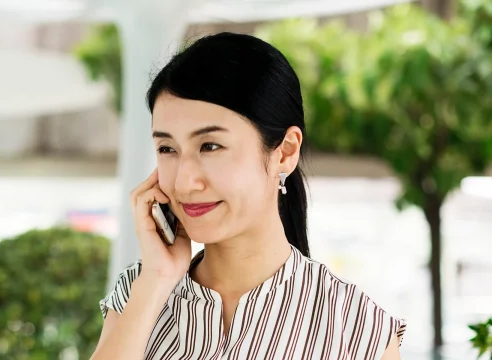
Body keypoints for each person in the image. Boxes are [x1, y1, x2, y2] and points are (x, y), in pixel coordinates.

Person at [90, 32, 406, 360]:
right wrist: (156, 278)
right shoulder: (139, 292)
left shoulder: (358, 330)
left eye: (210, 146)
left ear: (284, 152)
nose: (184, 182)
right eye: (167, 148)